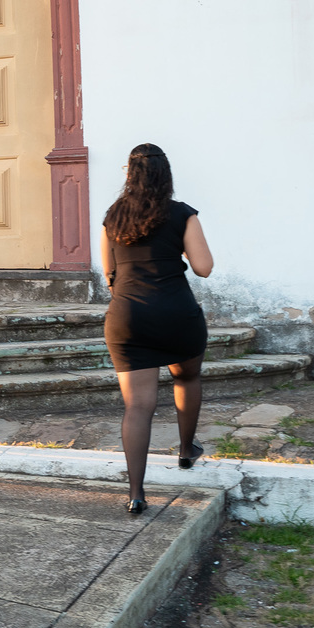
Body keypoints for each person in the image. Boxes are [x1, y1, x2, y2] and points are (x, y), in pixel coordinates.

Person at [100, 143, 214, 515]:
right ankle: (186, 450)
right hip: (176, 313)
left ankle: (136, 494)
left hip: (128, 317)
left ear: (129, 174)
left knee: (138, 405)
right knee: (187, 377)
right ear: (166, 175)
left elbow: (110, 276)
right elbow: (203, 267)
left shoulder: (113, 217)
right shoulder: (183, 214)